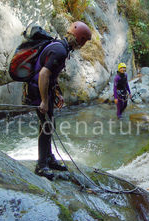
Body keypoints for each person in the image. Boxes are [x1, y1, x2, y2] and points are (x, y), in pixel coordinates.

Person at [28, 21, 92, 180]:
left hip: (42, 90)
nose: (83, 45)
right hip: (38, 91)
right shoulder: (60, 50)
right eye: (83, 41)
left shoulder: (59, 46)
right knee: (47, 126)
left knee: (49, 125)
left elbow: (52, 75)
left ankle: (48, 158)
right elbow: (44, 74)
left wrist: (58, 93)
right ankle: (41, 166)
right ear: (80, 39)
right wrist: (43, 101)